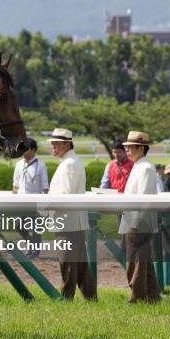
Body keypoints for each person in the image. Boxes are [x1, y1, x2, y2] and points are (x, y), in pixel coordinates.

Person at [47, 128, 96, 300]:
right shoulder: (70, 161)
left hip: (68, 222)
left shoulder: (69, 164)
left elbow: (65, 195)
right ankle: (91, 298)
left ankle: (66, 298)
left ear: (67, 144)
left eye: (56, 144)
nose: (53, 147)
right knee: (80, 265)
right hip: (72, 221)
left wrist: (46, 203)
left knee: (67, 263)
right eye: (52, 144)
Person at [119, 131, 160, 303]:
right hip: (134, 220)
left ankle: (137, 296)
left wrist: (135, 222)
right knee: (143, 260)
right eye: (126, 147)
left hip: (138, 222)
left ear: (141, 148)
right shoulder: (139, 166)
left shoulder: (145, 168)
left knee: (135, 261)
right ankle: (152, 297)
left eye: (130, 147)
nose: (126, 150)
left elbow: (143, 198)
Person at [12, 138, 49, 258]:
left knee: (35, 228)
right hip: (20, 203)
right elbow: (15, 186)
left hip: (36, 203)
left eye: (26, 149)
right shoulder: (18, 164)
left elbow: (45, 187)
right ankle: (30, 243)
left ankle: (34, 252)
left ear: (33, 150)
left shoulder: (41, 165)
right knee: (18, 225)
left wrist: (46, 206)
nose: (22, 152)